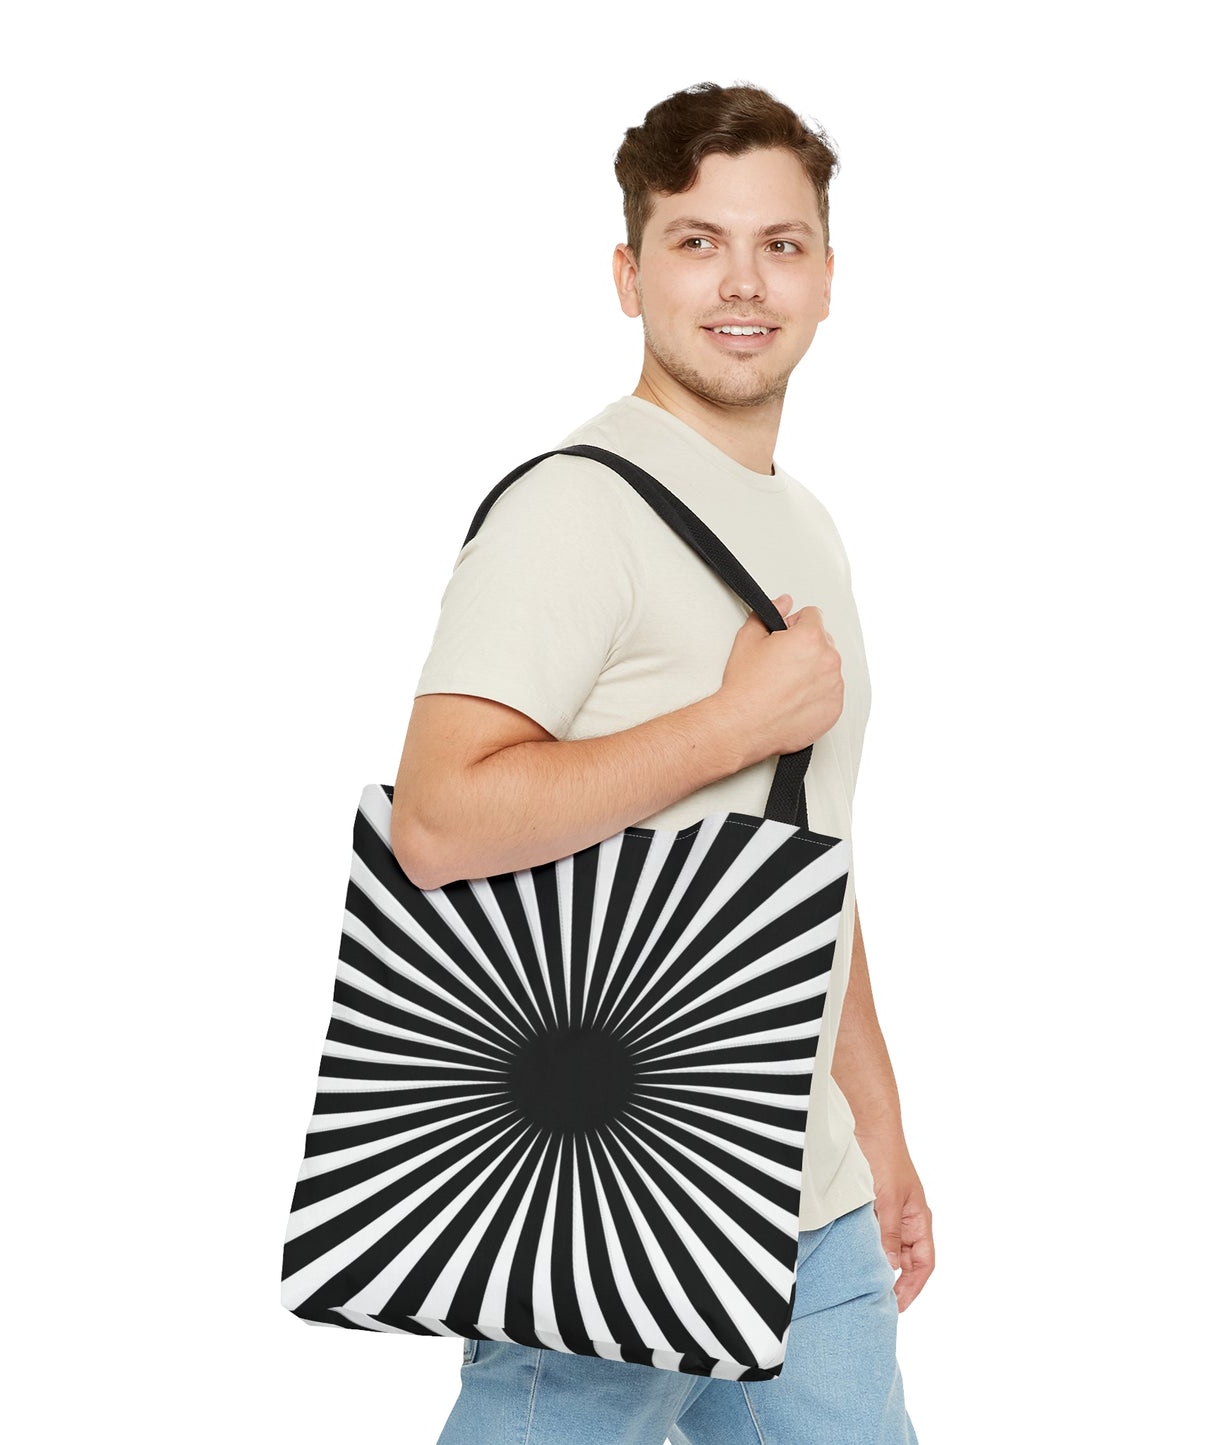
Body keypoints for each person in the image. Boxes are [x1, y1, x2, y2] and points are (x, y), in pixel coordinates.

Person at [391, 81, 929, 1445]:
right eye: (696, 242)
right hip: (616, 1191)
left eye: (780, 243)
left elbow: (805, 846)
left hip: (809, 1209)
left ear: (824, 276)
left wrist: (879, 1132)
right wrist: (725, 724)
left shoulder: (802, 522)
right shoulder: (573, 507)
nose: (742, 281)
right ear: (628, 275)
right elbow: (441, 822)